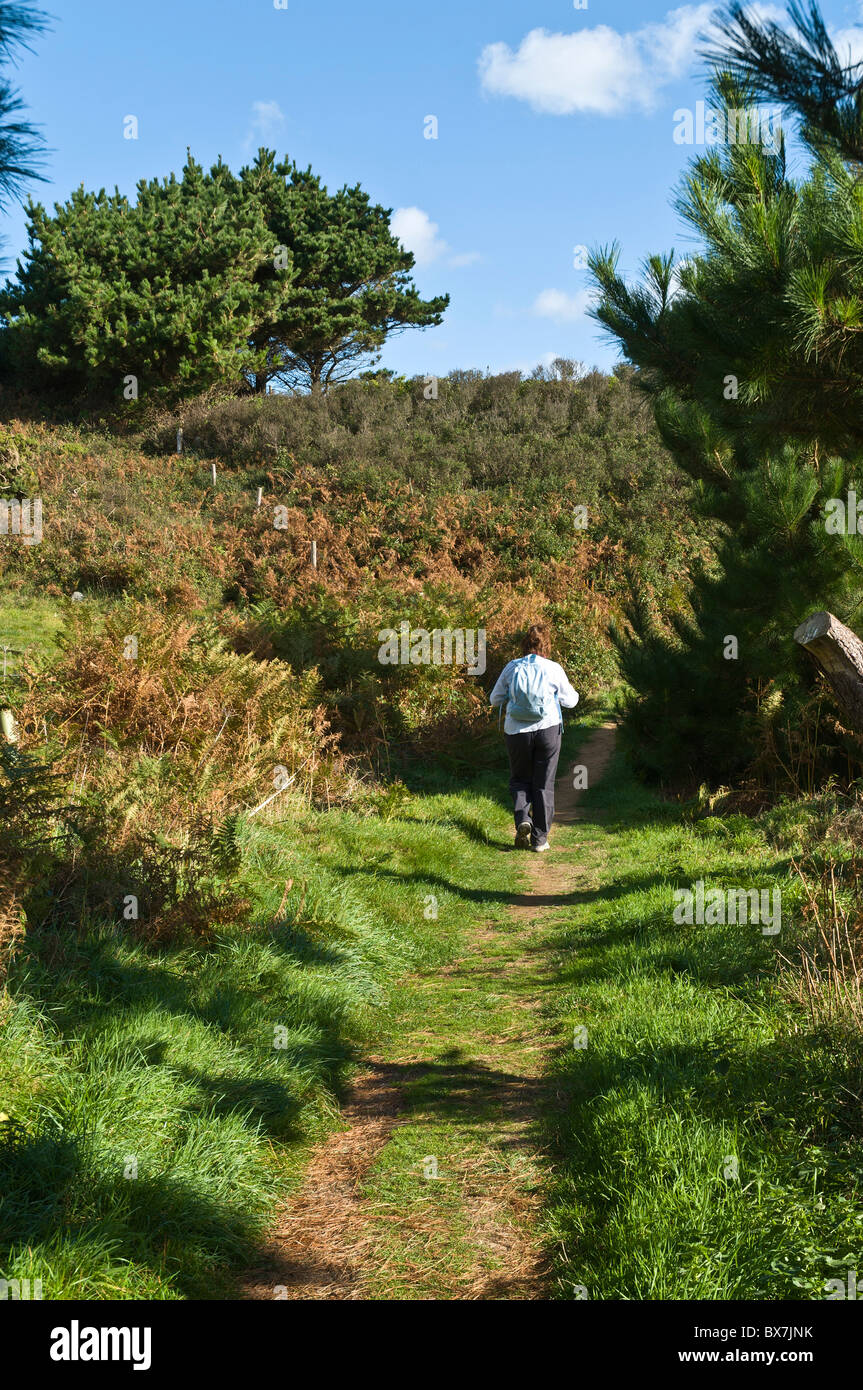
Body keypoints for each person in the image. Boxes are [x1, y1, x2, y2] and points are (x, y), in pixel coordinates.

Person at [489, 623, 579, 852]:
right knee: (543, 784)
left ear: (524, 644)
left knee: (520, 780)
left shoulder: (512, 667)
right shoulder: (553, 668)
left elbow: (495, 699)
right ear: (547, 645)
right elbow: (571, 700)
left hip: (517, 731)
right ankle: (539, 840)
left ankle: (523, 820)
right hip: (548, 729)